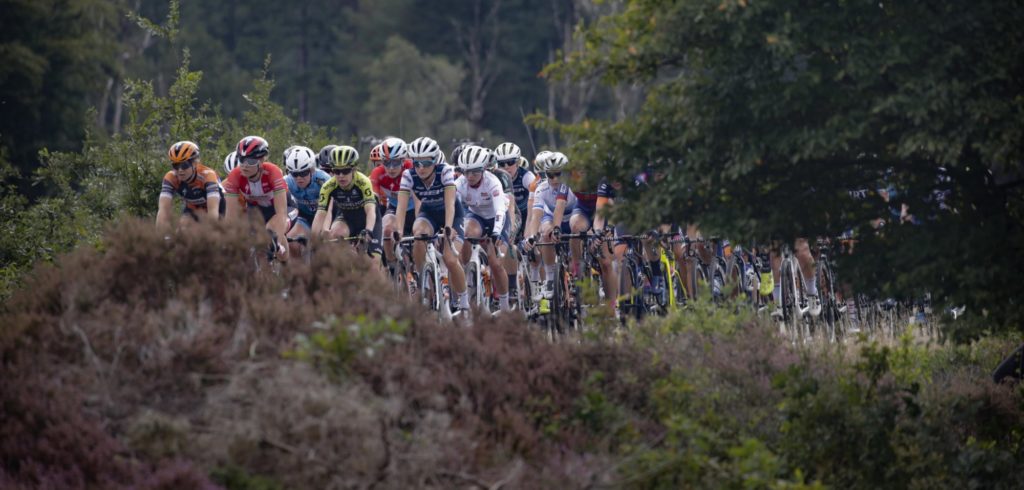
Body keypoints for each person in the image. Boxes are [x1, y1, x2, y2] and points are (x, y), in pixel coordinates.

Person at [394, 136, 469, 314]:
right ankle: (424, 278)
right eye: (416, 163)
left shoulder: (445, 172)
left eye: (426, 163)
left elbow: (450, 204)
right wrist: (397, 231)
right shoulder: (408, 175)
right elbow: (401, 207)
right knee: (418, 233)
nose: (420, 168)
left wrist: (449, 228)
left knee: (450, 259)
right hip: (429, 214)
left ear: (435, 161)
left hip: (452, 214)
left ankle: (465, 303)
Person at [456, 145, 511, 311]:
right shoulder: (459, 183)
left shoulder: (492, 182)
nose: (470, 176)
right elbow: (454, 209)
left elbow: (500, 210)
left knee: (496, 263)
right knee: (465, 232)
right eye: (466, 172)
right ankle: (467, 270)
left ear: (484, 169)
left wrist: (495, 233)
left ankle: (505, 306)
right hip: (477, 216)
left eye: (474, 172)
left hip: (498, 217)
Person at [223, 135, 290, 262]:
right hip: (256, 210)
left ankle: (286, 268)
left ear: (262, 161)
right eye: (241, 160)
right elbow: (230, 217)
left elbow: (281, 213)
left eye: (251, 161)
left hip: (279, 209)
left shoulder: (273, 172)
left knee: (271, 234)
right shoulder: (235, 175)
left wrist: (278, 242)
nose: (245, 166)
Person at [311, 145, 382, 259]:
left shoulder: (363, 182)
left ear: (353, 169)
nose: (341, 176)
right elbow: (320, 215)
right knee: (335, 235)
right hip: (346, 218)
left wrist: (368, 230)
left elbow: (370, 210)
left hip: (367, 219)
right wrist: (314, 239)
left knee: (373, 262)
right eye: (336, 171)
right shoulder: (328, 186)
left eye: (345, 171)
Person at [156, 140, 223, 231]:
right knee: (182, 231)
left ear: (195, 163)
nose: (180, 170)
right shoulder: (171, 177)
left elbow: (213, 212)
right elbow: (163, 211)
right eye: (176, 165)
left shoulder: (208, 175)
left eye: (184, 165)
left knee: (216, 233)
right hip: (193, 207)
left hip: (218, 207)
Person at [369, 137, 415, 265]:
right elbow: (373, 202)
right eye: (386, 163)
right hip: (395, 208)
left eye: (395, 163)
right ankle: (392, 264)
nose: (391, 168)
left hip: (415, 208)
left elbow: (419, 198)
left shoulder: (411, 168)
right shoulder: (377, 173)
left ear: (403, 160)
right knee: (387, 229)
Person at [284, 145, 331, 257]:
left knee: (323, 247)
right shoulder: (286, 182)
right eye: (295, 174)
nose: (299, 178)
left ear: (311, 170)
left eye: (303, 173)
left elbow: (332, 207)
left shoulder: (324, 180)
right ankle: (299, 272)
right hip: (303, 217)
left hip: (324, 216)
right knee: (292, 242)